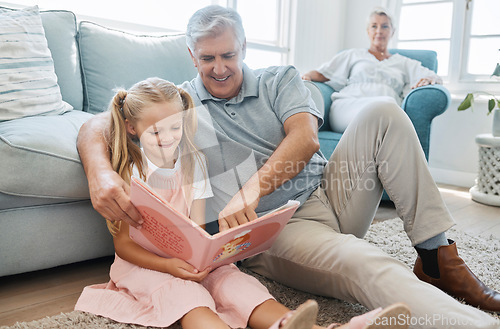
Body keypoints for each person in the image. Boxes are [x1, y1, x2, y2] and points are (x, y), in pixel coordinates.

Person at [76, 5, 500, 329]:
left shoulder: (280, 79)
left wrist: (252, 186)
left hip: (329, 193)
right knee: (367, 262)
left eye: (228, 55)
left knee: (384, 111)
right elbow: (102, 120)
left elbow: (305, 139)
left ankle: (435, 257)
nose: (219, 68)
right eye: (207, 58)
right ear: (191, 55)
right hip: (277, 229)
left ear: (244, 48)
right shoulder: (182, 105)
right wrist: (100, 171)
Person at [74, 78, 407, 329]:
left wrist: (219, 250)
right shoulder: (130, 173)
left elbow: (200, 230)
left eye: (175, 128)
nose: (168, 139)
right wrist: (170, 266)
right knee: (189, 298)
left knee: (238, 284)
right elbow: (123, 247)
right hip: (146, 266)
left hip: (192, 261)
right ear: (132, 128)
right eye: (155, 132)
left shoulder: (194, 165)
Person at [302, 8, 442, 133]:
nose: (379, 31)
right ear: (368, 31)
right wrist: (307, 75)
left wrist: (431, 79)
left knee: (388, 109)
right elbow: (321, 73)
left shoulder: (404, 62)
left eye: (385, 26)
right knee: (388, 109)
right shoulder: (352, 54)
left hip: (387, 112)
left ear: (392, 31)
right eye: (374, 26)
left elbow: (432, 76)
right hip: (349, 106)